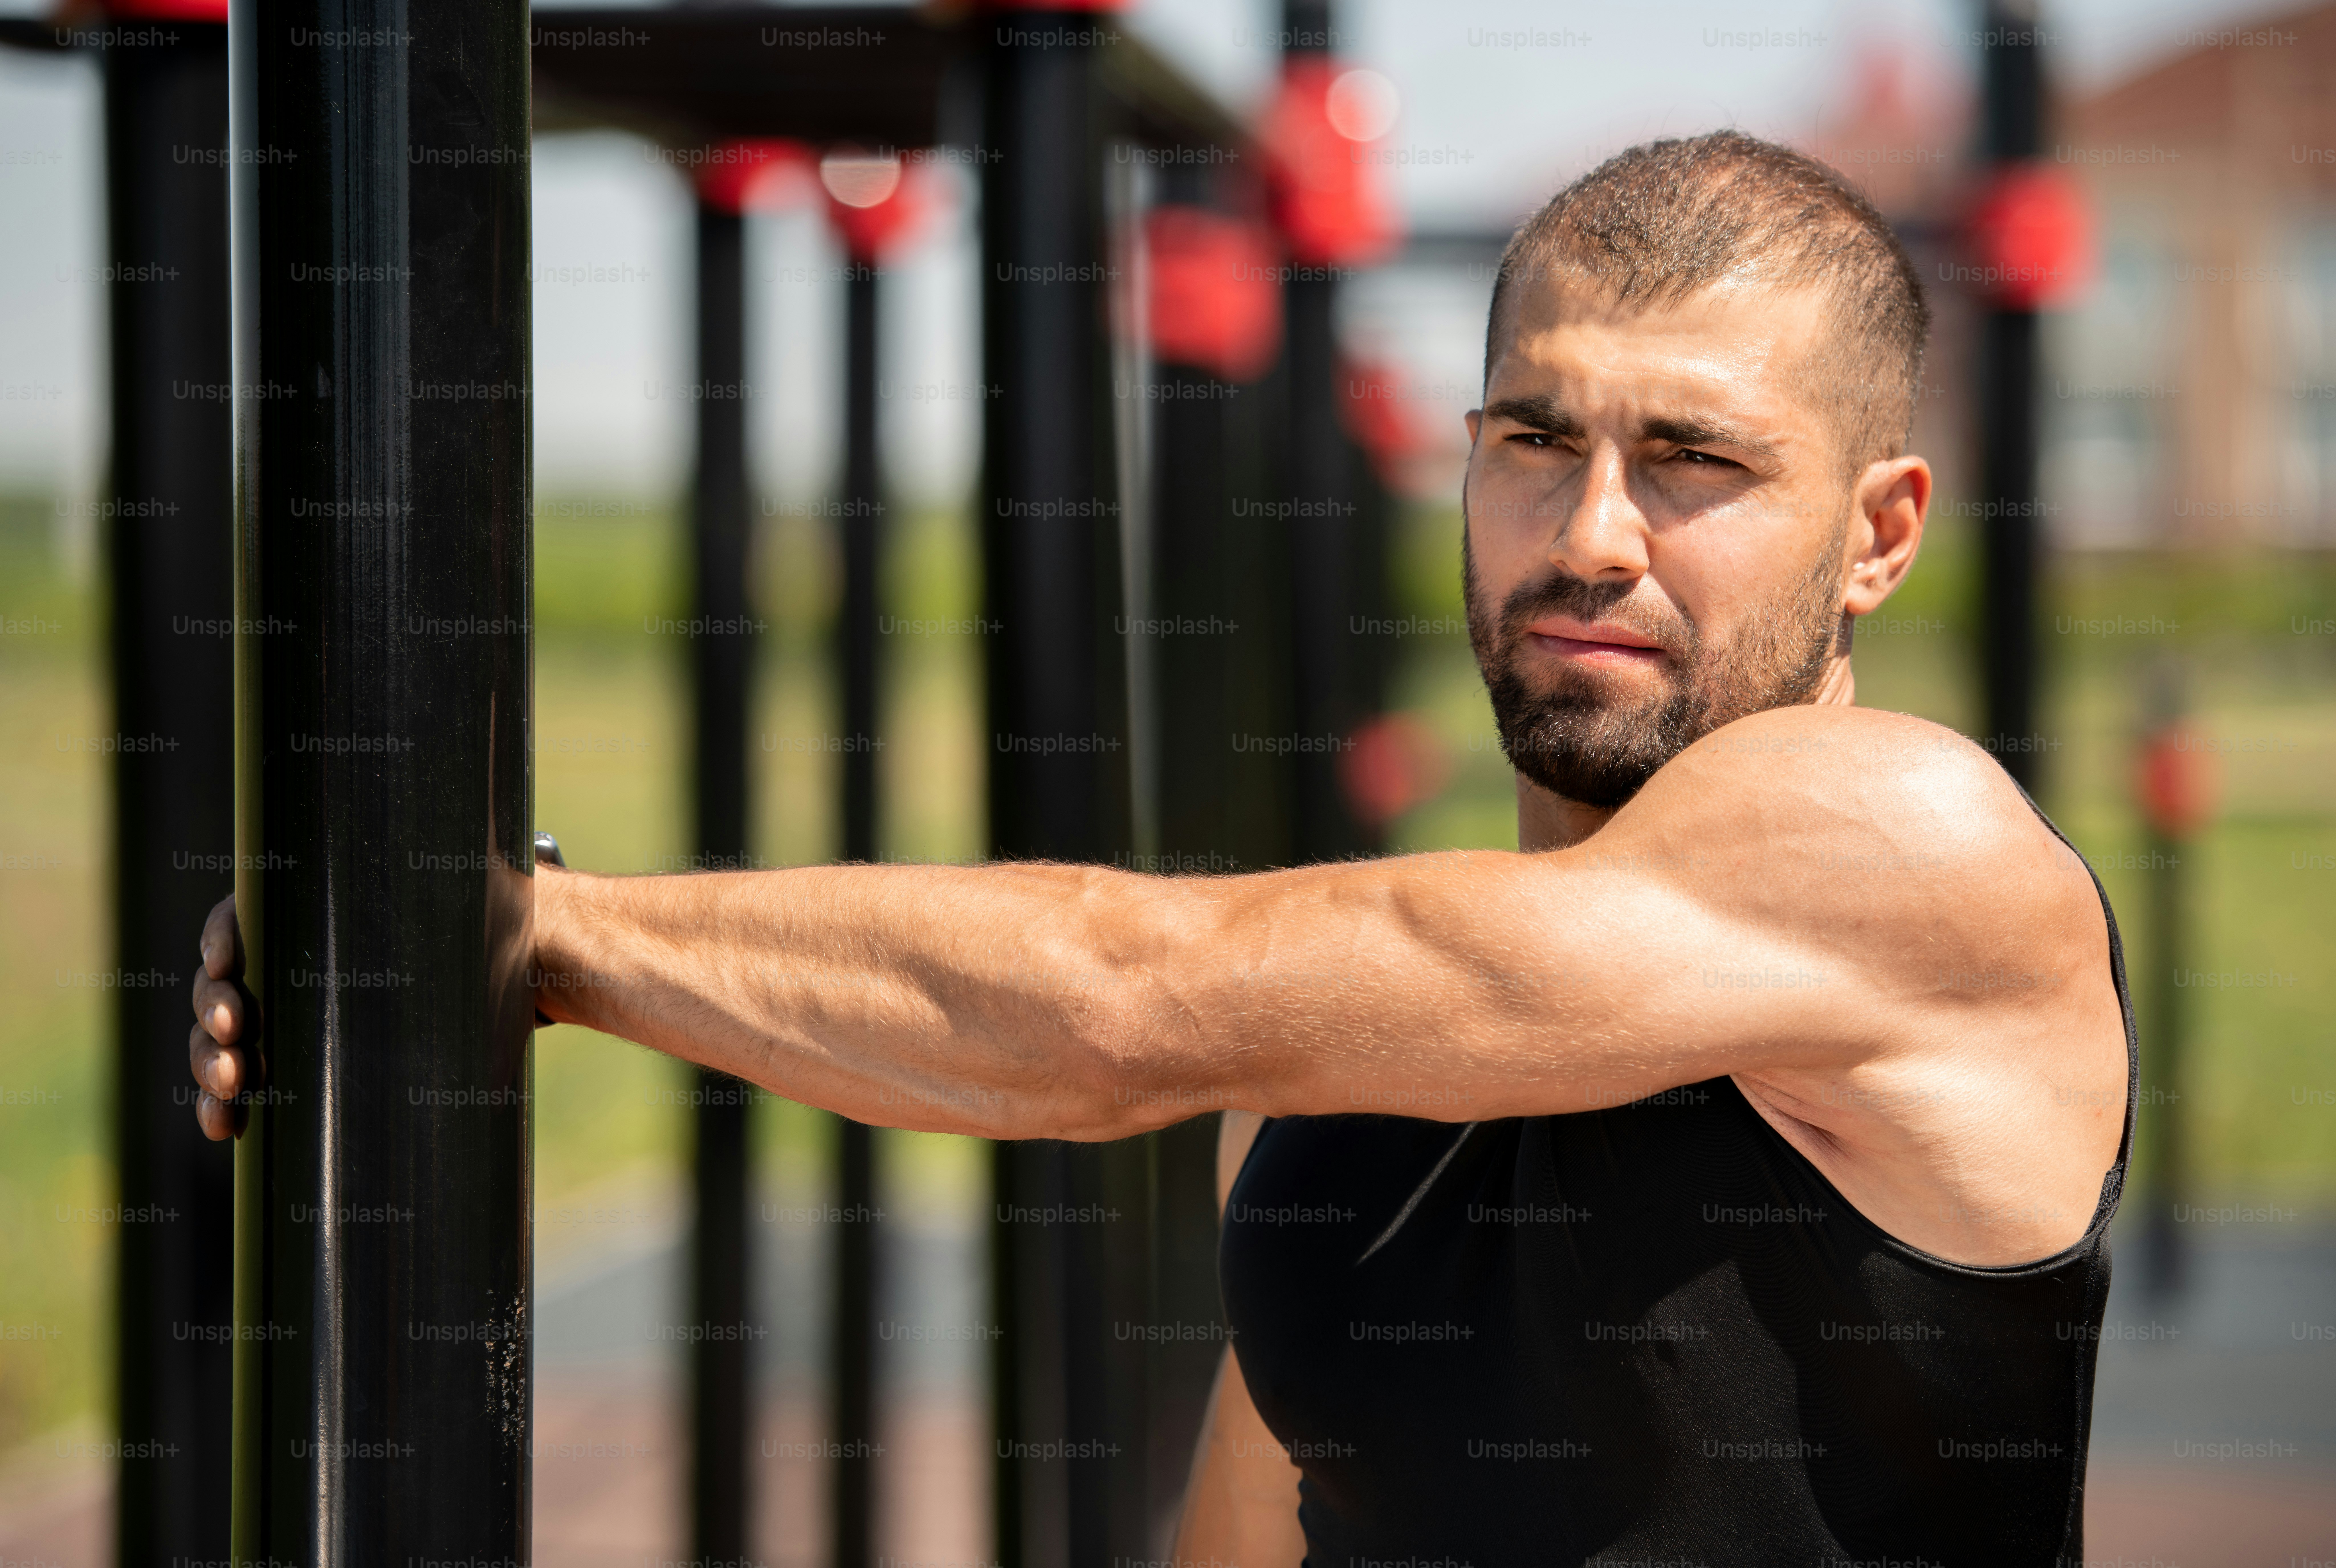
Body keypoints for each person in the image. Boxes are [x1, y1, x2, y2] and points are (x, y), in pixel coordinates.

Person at [188, 131, 2134, 1562]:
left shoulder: (1912, 849)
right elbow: (1262, 1511)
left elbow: (1131, 1000)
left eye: (1693, 462)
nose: (1593, 530)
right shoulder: (1344, 1087)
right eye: (1533, 440)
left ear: (1880, 533)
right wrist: (476, 937)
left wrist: (515, 933)